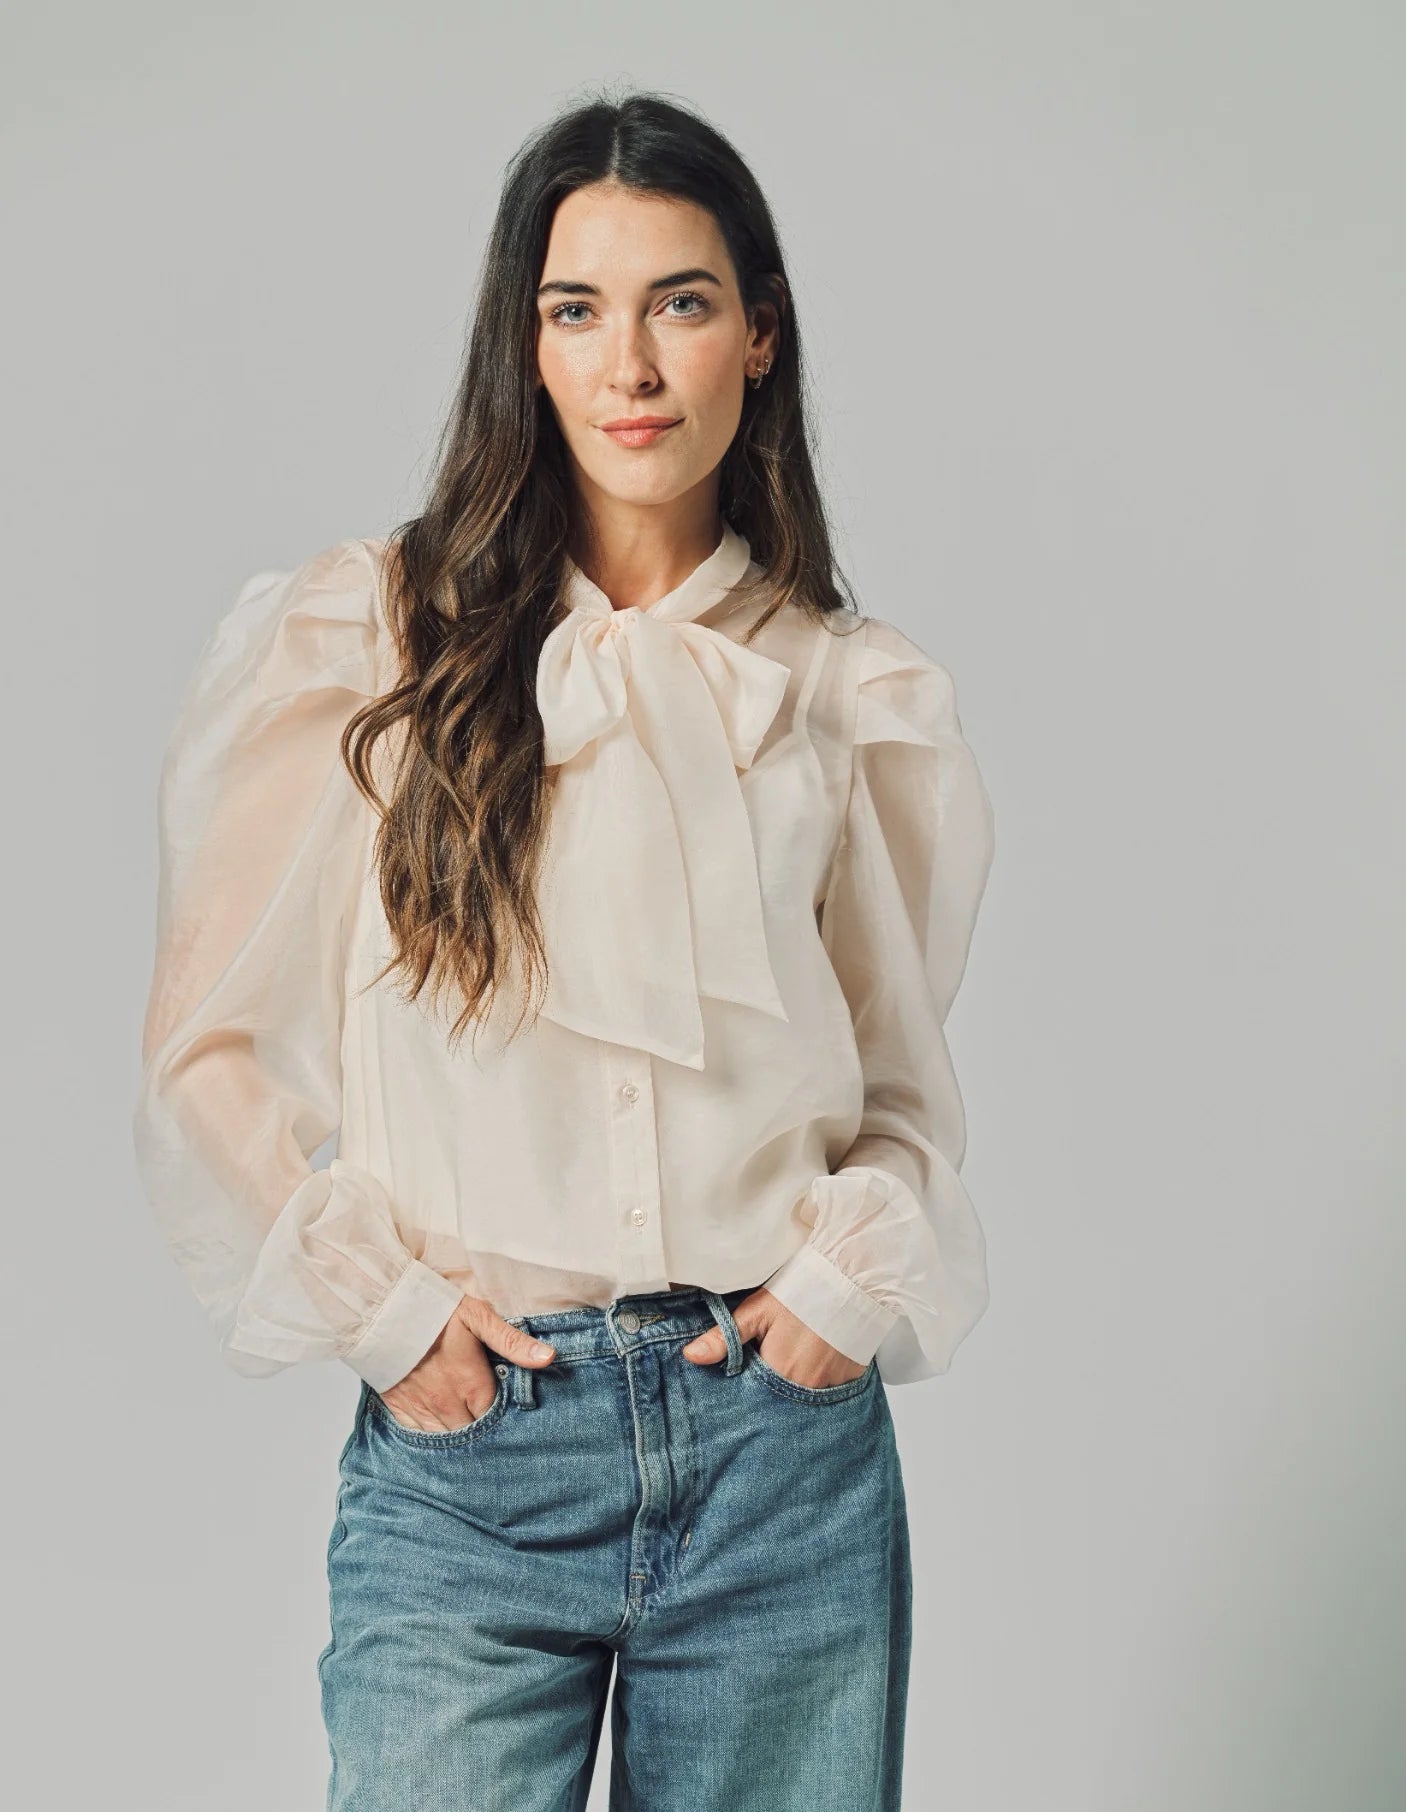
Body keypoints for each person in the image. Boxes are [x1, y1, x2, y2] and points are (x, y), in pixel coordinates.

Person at [133, 89, 996, 1812]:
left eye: (680, 302)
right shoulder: (367, 639)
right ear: (522, 348)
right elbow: (205, 1051)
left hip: (778, 1467)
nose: (632, 364)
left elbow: (893, 1090)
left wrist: (834, 1297)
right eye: (576, 309)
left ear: (758, 334)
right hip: (474, 1471)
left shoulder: (842, 688)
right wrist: (387, 1318)